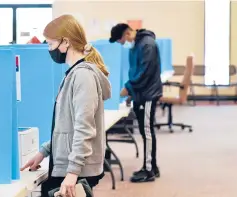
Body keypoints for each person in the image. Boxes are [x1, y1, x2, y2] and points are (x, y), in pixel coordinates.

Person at [20, 14, 111, 197]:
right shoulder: (72, 74)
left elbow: (84, 128)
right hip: (70, 165)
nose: (49, 49)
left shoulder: (83, 76)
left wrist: (72, 173)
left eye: (51, 44)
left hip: (77, 169)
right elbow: (65, 126)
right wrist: (44, 152)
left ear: (66, 42)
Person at [109, 23, 162, 183]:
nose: (122, 44)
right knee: (146, 131)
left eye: (121, 40)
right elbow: (137, 71)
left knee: (146, 131)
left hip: (148, 94)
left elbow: (144, 72)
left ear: (126, 34)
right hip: (142, 94)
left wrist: (128, 88)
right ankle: (152, 166)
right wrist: (132, 94)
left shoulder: (146, 44)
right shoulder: (139, 45)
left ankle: (148, 170)